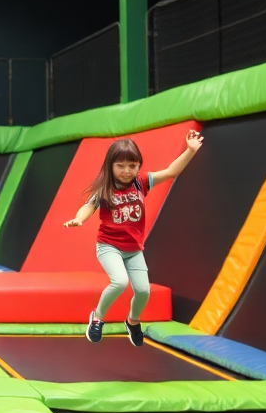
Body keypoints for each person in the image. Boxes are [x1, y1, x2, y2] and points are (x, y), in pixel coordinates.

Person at [64, 130, 204, 346]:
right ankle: (97, 317)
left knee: (143, 291)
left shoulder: (141, 182)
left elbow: (170, 172)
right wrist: (78, 219)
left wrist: (190, 151)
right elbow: (89, 206)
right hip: (109, 246)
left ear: (139, 165)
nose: (127, 171)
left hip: (133, 249)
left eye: (132, 165)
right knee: (120, 282)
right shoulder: (105, 187)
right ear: (110, 166)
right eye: (120, 166)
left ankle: (132, 321)